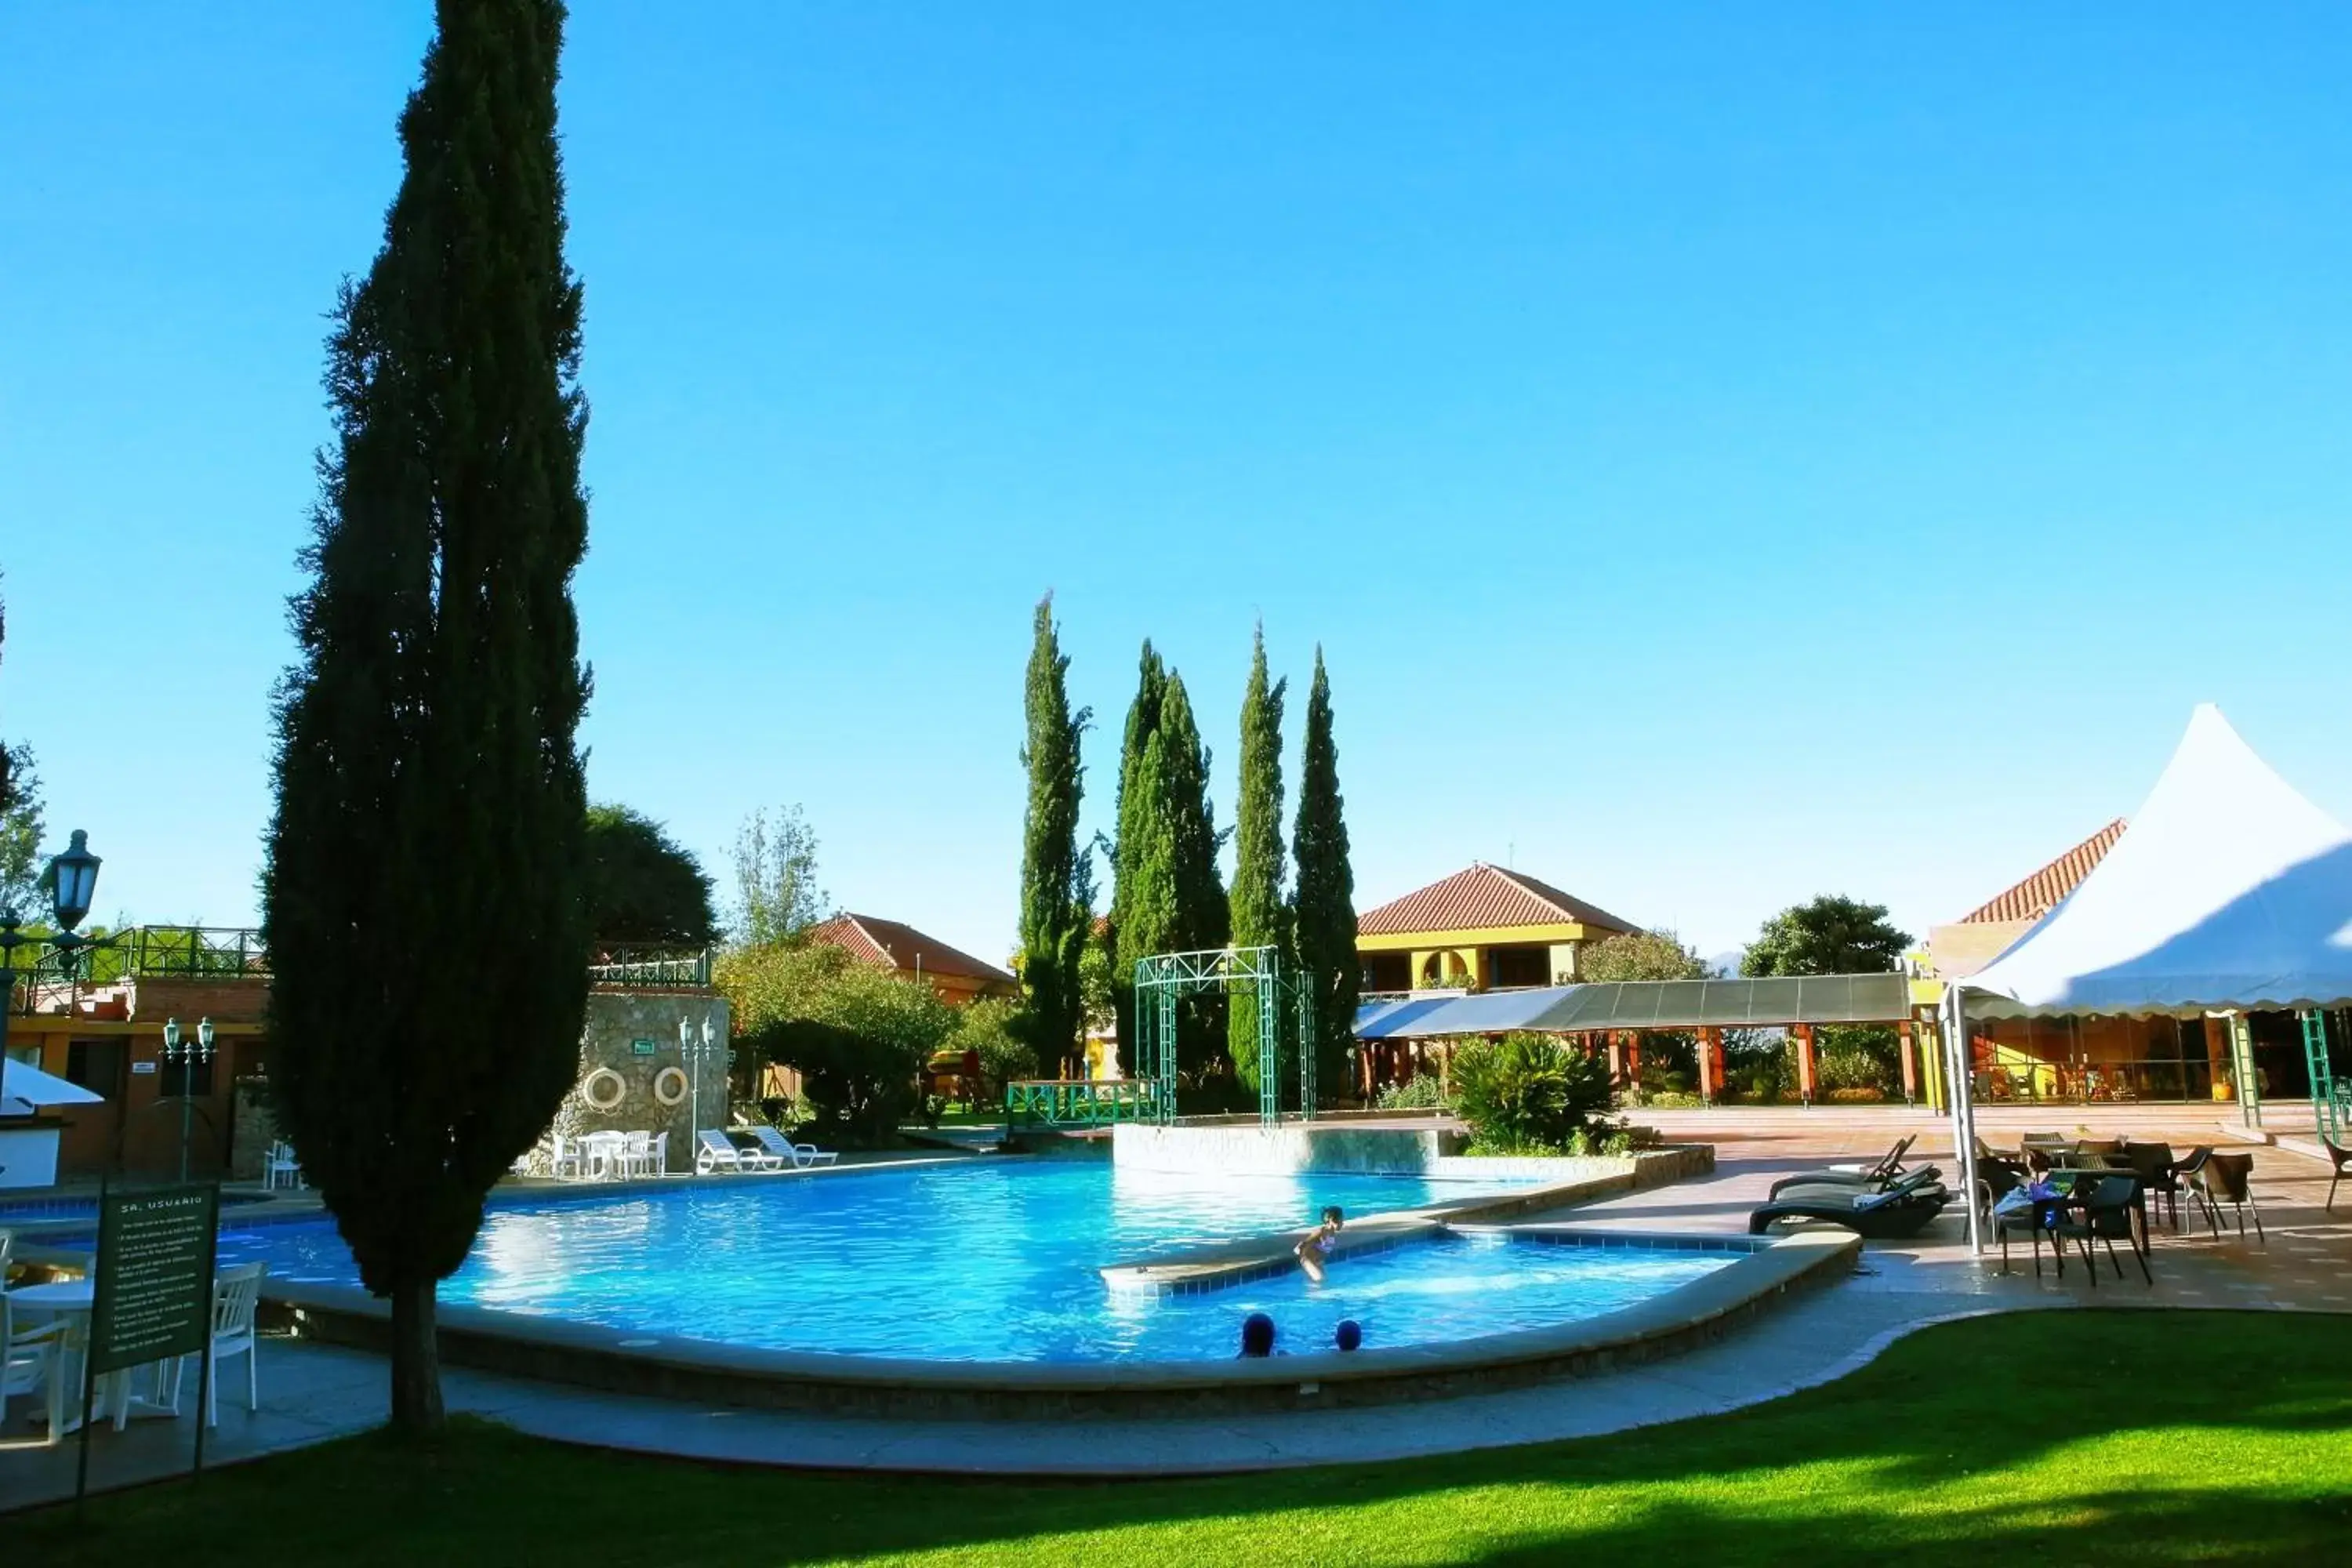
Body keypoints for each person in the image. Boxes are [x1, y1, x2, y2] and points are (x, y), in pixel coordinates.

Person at [1294, 1205, 1345, 1284]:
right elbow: (1303, 1244)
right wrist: (1302, 1251)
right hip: (1308, 1261)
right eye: (1341, 1221)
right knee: (1321, 1280)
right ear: (1331, 1220)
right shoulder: (1321, 1232)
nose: (1343, 1223)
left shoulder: (1332, 1233)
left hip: (1318, 1262)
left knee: (1321, 1282)